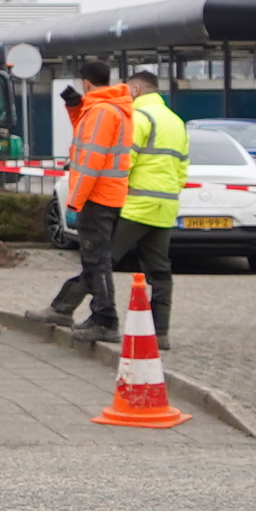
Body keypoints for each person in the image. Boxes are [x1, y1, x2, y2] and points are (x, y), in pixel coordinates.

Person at [102, 65, 190, 349]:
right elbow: (182, 168)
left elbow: (126, 161)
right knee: (160, 271)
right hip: (164, 207)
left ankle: (68, 309)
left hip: (135, 205)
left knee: (103, 260)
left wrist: (113, 195)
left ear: (136, 89)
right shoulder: (176, 121)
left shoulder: (139, 117)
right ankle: (160, 332)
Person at [45, 61, 131, 328]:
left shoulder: (102, 112)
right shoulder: (110, 107)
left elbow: (90, 160)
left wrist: (75, 202)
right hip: (109, 196)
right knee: (96, 260)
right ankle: (69, 309)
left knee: (97, 261)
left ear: (86, 83)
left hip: (97, 197)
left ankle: (105, 319)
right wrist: (75, 108)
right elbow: (87, 135)